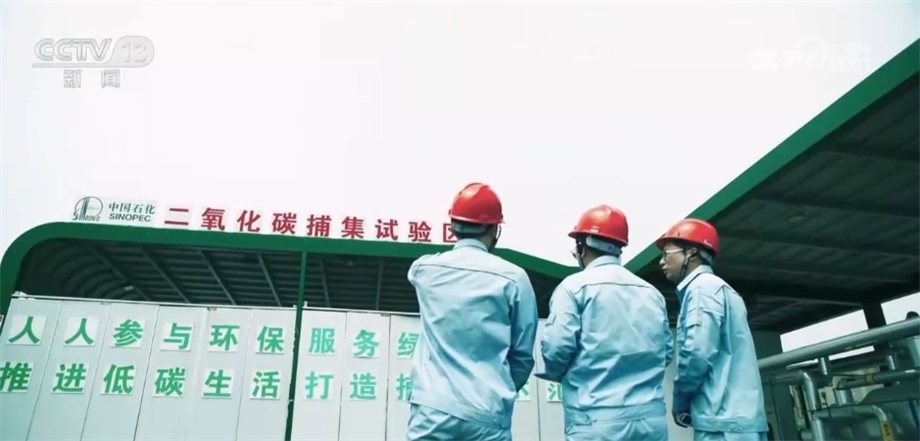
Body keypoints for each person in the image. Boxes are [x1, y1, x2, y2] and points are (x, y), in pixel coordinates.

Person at [405, 182, 539, 441]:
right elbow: (522, 356)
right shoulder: (515, 278)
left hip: (432, 410)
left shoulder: (424, 270)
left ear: (453, 226)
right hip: (488, 412)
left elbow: (416, 272)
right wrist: (497, 389)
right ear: (495, 228)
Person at [540, 205, 673, 441]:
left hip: (596, 419)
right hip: (650, 420)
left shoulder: (573, 287)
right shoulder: (652, 293)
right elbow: (666, 353)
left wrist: (556, 373)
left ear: (581, 247)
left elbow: (557, 348)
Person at [657, 218, 768, 441]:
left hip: (721, 424)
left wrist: (680, 400)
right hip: (740, 421)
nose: (661, 262)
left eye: (667, 254)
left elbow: (697, 353)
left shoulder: (701, 289)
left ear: (692, 253)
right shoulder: (723, 290)